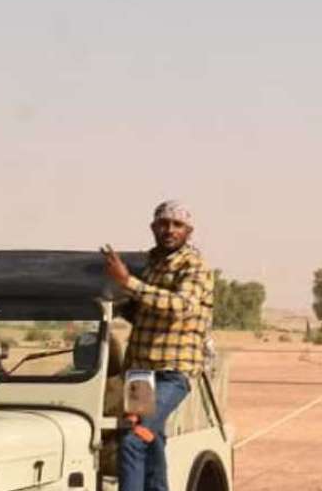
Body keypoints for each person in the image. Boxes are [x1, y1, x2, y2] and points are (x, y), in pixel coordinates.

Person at [101, 200, 215, 491]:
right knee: (153, 440)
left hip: (173, 372)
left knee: (134, 437)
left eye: (177, 225)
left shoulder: (195, 267)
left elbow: (180, 305)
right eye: (164, 224)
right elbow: (143, 312)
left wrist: (128, 282)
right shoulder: (151, 266)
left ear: (189, 232)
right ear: (153, 227)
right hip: (141, 373)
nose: (169, 230)